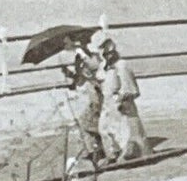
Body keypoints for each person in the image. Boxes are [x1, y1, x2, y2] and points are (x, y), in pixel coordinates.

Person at [99, 38, 151, 160]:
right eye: (105, 54)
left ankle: (134, 154)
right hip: (108, 105)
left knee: (128, 132)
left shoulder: (122, 66)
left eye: (110, 53)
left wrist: (122, 98)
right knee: (104, 129)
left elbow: (131, 88)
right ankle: (113, 154)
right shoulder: (104, 68)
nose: (108, 56)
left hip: (121, 105)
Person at [63, 32, 105, 164]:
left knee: (87, 123)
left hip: (94, 93)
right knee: (88, 123)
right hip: (88, 93)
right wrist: (70, 74)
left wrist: (84, 65)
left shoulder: (92, 56)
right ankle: (95, 150)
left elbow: (94, 74)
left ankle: (96, 151)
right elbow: (81, 78)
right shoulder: (81, 57)